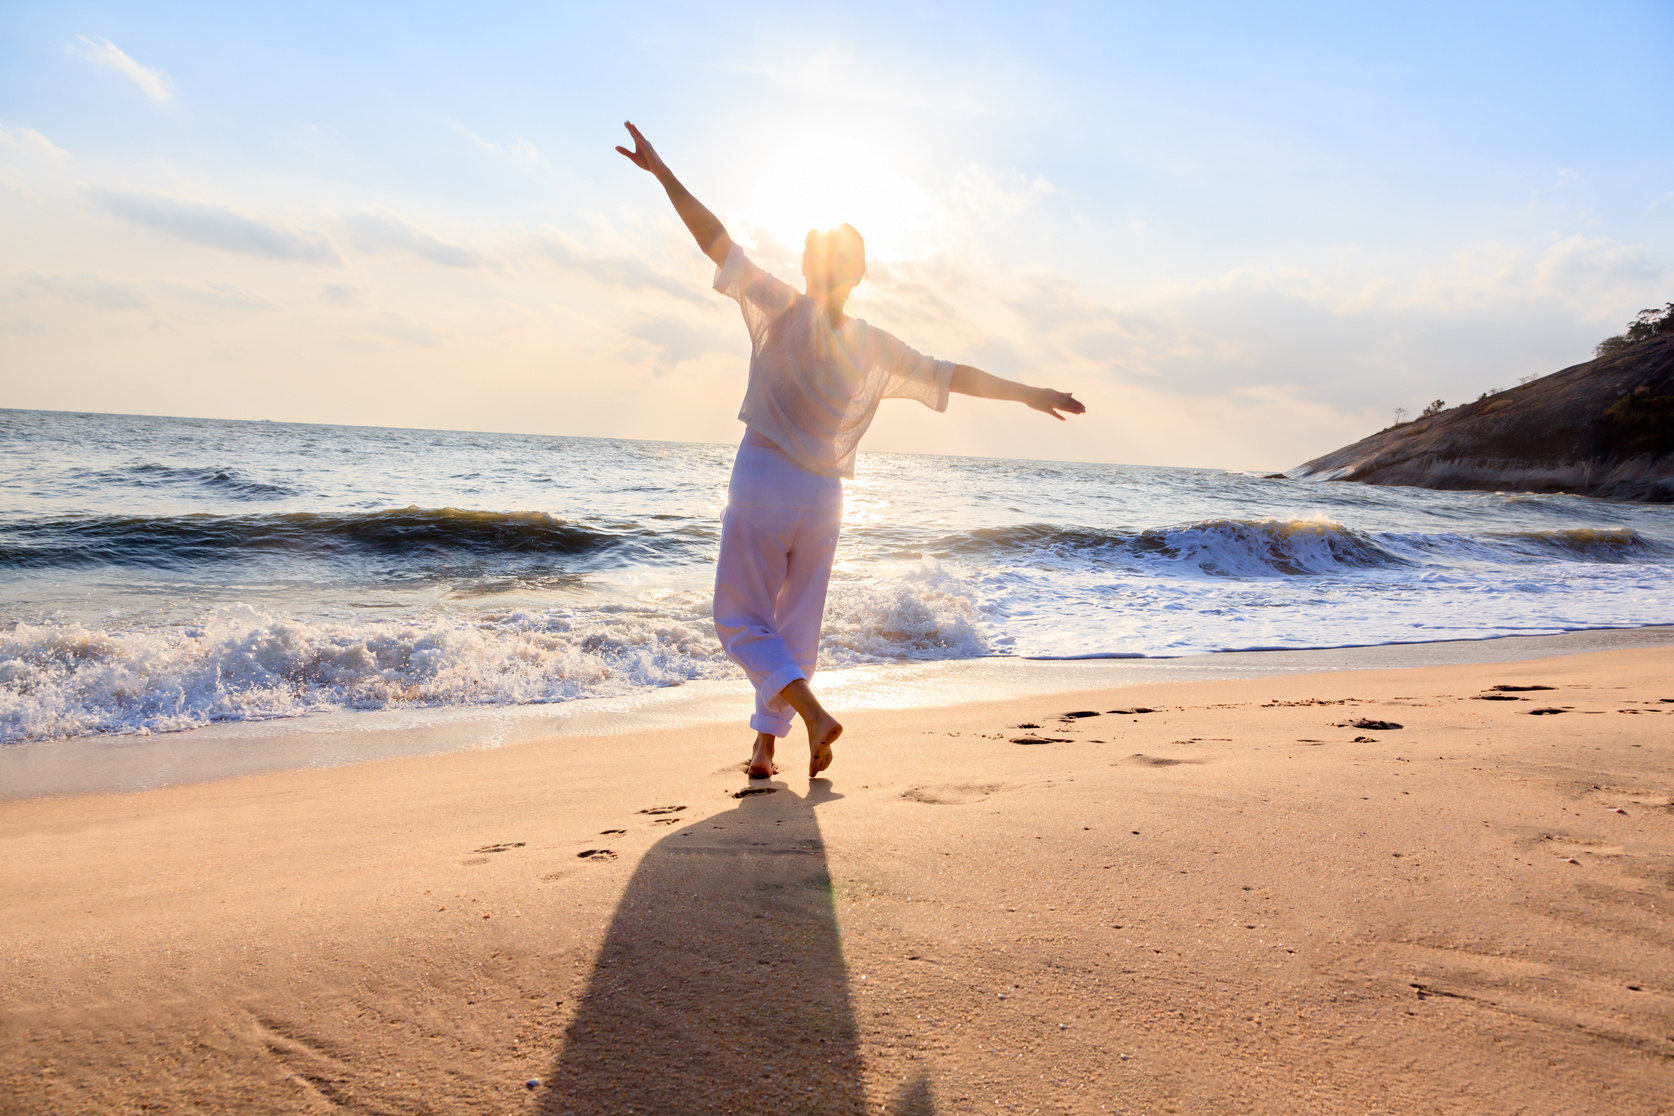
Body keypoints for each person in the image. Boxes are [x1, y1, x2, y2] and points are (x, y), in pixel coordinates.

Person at [617, 121, 1085, 781]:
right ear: (861, 275)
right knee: (794, 624)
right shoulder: (875, 346)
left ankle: (811, 716)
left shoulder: (780, 306)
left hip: (762, 479)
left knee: (741, 620)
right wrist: (1032, 393)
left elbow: (713, 238)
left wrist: (664, 174)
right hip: (825, 497)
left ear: (808, 267)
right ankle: (766, 745)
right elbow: (957, 376)